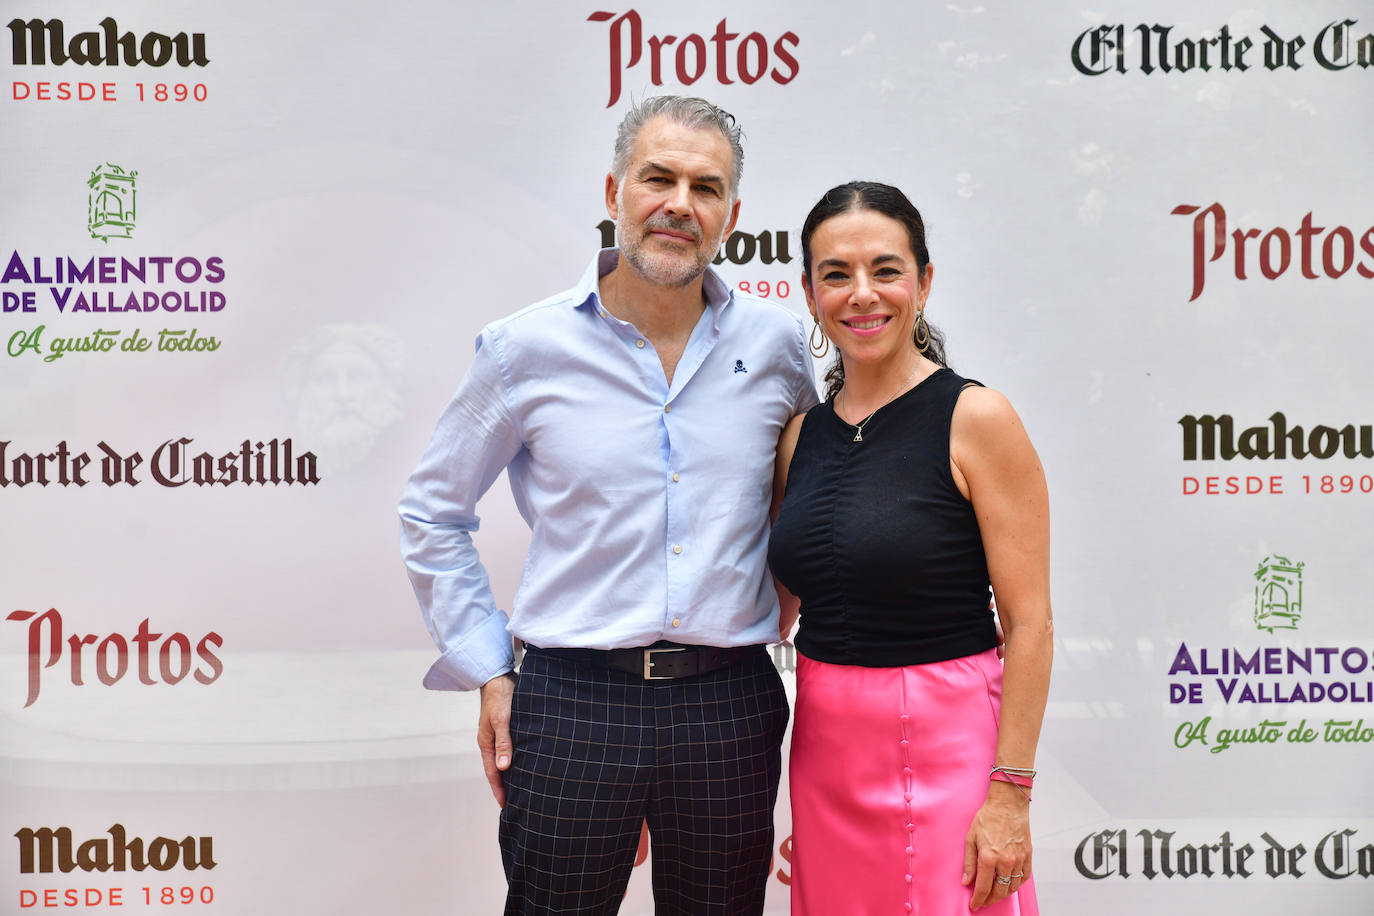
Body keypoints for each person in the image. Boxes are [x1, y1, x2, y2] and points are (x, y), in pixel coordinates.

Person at [398, 95, 817, 915]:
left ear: (730, 215)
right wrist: (486, 667)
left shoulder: (775, 348)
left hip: (728, 702)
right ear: (613, 191)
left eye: (705, 187)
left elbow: (807, 494)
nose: (678, 204)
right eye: (657, 178)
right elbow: (432, 511)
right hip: (572, 702)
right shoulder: (524, 350)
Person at [768, 181, 1053, 914]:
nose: (862, 294)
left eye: (885, 270)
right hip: (826, 748)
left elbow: (1029, 624)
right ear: (809, 293)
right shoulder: (800, 437)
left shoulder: (976, 417)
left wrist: (1010, 795)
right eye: (836, 274)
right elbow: (775, 613)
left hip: (948, 744)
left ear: (924, 283)